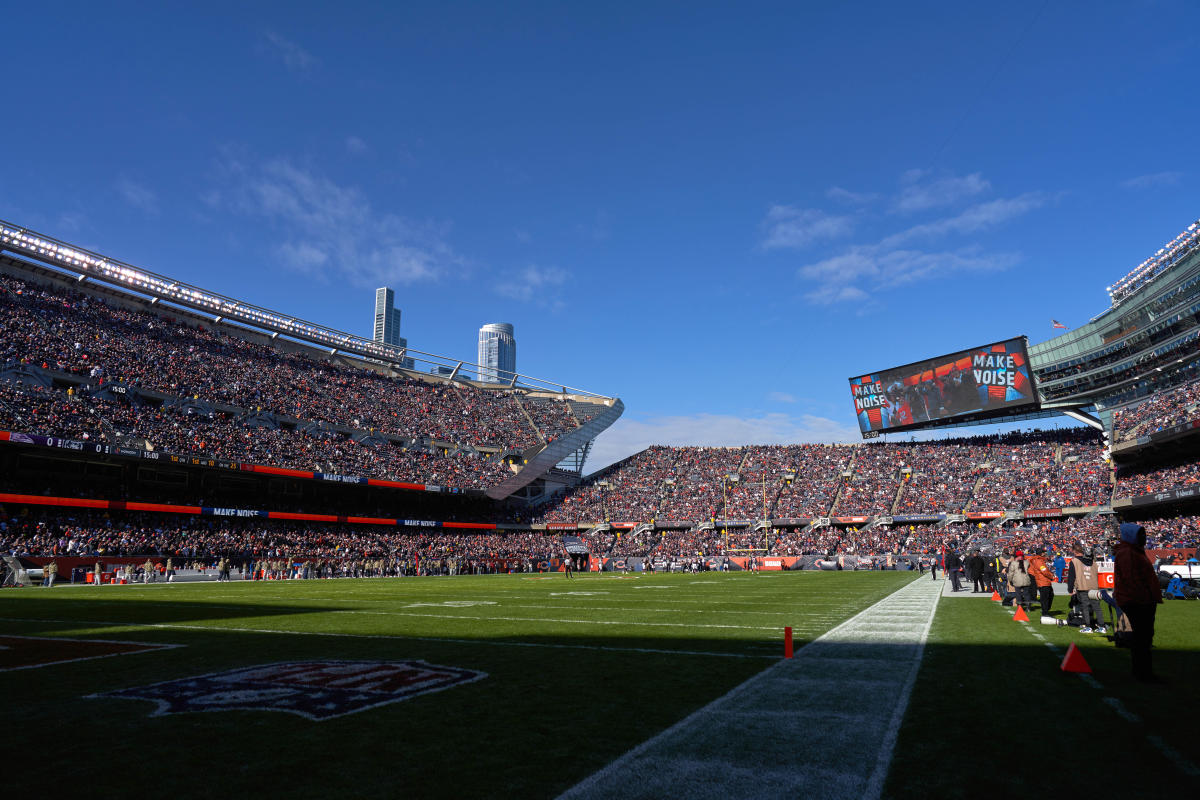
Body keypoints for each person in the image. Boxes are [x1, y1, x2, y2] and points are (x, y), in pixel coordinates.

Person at [1114, 523, 1164, 683]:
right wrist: (1143, 598)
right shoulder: (1129, 553)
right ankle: (1143, 673)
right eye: (1141, 535)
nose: (1144, 538)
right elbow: (1132, 579)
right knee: (1142, 638)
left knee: (1143, 637)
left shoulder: (1132, 552)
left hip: (1140, 599)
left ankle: (1142, 672)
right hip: (1138, 600)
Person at [1067, 542, 1105, 633]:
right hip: (1094, 586)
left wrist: (1070, 589)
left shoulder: (1074, 561)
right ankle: (1101, 626)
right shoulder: (1093, 562)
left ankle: (1088, 626)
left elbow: (1071, 576)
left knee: (1085, 607)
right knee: (1097, 607)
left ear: (1074, 552)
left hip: (1082, 586)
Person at [1027, 546, 1055, 616]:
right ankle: (1045, 612)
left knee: (1049, 596)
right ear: (1041, 554)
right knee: (1045, 598)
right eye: (1044, 552)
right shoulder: (1039, 561)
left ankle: (1045, 611)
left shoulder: (1039, 560)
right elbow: (1044, 571)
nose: (1045, 554)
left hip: (1043, 581)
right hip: (1043, 581)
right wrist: (1051, 576)